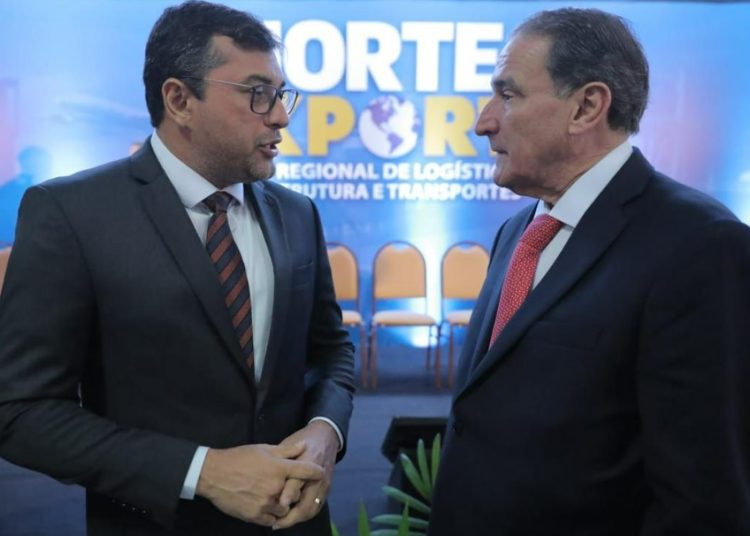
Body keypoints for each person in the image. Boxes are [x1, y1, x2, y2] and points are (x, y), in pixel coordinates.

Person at [0, 2, 355, 535]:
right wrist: (202, 472)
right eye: (257, 93)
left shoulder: (297, 213)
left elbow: (330, 351)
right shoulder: (71, 214)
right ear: (180, 100)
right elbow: (22, 412)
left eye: (281, 94)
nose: (281, 116)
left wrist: (326, 431)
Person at [428, 8, 750, 535]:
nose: (483, 121)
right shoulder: (517, 232)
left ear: (587, 107)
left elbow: (703, 499)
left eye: (508, 95)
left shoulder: (700, 246)